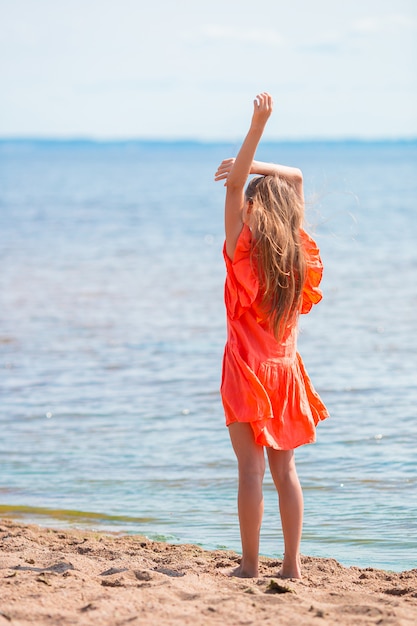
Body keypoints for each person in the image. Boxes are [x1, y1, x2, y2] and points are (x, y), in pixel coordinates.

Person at [214, 93, 329, 579]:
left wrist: (256, 126)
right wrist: (260, 163)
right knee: (286, 473)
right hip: (286, 375)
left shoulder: (244, 247)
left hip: (245, 371)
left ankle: (249, 566)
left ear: (257, 207)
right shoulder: (298, 254)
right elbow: (297, 177)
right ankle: (292, 566)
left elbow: (238, 182)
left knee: (250, 471)